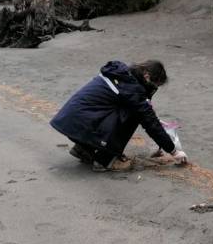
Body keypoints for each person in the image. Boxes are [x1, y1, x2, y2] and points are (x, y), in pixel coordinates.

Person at [50, 60, 188, 171]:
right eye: (155, 85)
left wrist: (153, 116)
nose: (154, 89)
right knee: (134, 116)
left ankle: (84, 148)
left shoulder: (122, 75)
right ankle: (105, 160)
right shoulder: (132, 89)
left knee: (131, 111)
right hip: (81, 124)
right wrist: (174, 151)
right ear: (147, 76)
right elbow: (148, 122)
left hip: (71, 121)